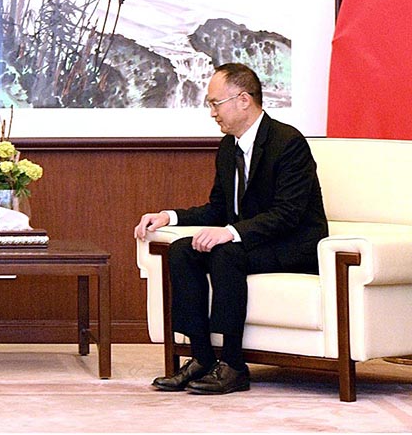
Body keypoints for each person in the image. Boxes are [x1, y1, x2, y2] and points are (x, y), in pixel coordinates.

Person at [134, 63, 328, 395]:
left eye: (215, 103)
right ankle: (201, 357)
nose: (212, 113)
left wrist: (231, 233)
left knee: (226, 253)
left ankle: (235, 364)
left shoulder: (288, 142)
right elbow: (218, 209)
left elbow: (288, 214)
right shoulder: (228, 147)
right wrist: (170, 216)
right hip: (253, 241)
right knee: (183, 249)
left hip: (294, 242)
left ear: (243, 100)